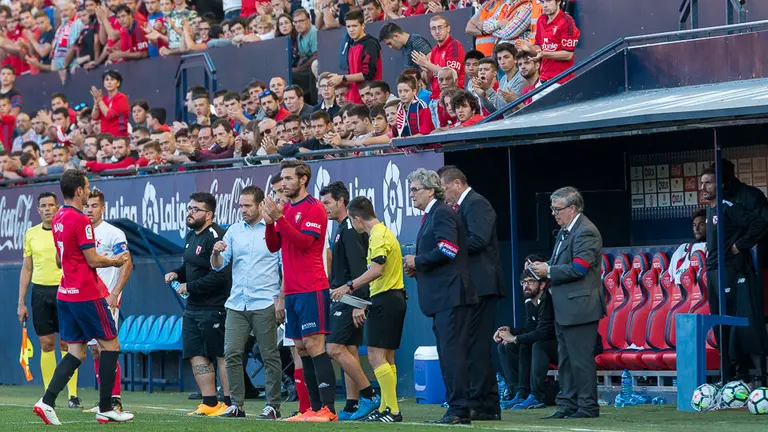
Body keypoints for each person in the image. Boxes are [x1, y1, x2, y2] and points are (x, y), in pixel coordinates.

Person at [33, 169, 131, 425]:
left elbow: (58, 259)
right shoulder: (80, 221)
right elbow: (93, 259)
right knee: (111, 345)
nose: (88, 191)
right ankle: (107, 407)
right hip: (86, 293)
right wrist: (114, 260)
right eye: (86, 187)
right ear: (79, 191)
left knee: (77, 352)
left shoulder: (58, 218)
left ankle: (46, 401)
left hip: (65, 293)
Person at [263, 159, 337, 422]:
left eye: (288, 178)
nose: (283, 183)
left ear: (303, 178)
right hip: (293, 290)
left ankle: (327, 409)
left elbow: (305, 242)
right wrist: (271, 223)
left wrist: (279, 218)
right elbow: (274, 246)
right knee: (301, 349)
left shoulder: (314, 208)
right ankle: (311, 409)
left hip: (312, 286)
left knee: (315, 345)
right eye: (282, 179)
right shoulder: (286, 209)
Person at [403, 168, 477, 425]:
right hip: (444, 295)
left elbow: (449, 248)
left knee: (452, 352)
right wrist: (419, 267)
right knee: (449, 352)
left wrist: (418, 260)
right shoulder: (433, 214)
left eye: (415, 190)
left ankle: (458, 409)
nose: (411, 195)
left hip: (451, 295)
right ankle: (458, 407)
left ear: (430, 189)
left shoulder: (442, 212)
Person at [529, 186, 604, 419]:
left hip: (580, 306)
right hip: (564, 306)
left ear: (572, 208)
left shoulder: (586, 231)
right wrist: (540, 270)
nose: (554, 213)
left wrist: (548, 270)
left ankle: (587, 407)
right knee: (566, 359)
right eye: (552, 208)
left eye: (557, 209)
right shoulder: (564, 232)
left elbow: (580, 268)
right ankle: (567, 405)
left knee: (580, 360)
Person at [210, 186, 284, 419]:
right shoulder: (234, 231)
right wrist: (215, 252)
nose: (242, 210)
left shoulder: (275, 229)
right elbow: (220, 264)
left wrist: (280, 299)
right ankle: (236, 405)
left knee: (269, 354)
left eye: (247, 205)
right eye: (240, 205)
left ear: (261, 205)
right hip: (237, 303)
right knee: (231, 352)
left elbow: (286, 268)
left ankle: (273, 405)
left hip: (264, 301)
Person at [438, 166, 505, 420]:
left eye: (444, 189)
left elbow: (479, 239)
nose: (445, 195)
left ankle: (485, 403)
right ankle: (483, 401)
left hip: (483, 285)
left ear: (456, 183)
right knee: (471, 346)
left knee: (476, 347)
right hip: (473, 285)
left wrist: (449, 246)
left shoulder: (476, 203)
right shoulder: (463, 207)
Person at [335, 195, 407, 423]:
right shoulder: (383, 232)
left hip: (386, 299)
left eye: (351, 220)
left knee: (376, 356)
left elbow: (377, 270)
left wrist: (349, 286)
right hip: (393, 298)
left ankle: (393, 411)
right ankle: (387, 406)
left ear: (356, 218)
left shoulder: (376, 235)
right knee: (387, 357)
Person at [164, 192, 232, 417]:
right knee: (196, 353)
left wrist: (190, 286)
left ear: (209, 214)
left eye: (195, 209)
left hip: (215, 306)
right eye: (189, 208)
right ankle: (209, 403)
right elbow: (190, 265)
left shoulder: (217, 236)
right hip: (193, 308)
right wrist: (177, 273)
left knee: (221, 354)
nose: (190, 213)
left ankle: (230, 403)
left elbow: (221, 275)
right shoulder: (191, 236)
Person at [700, 168, 768, 382]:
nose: (703, 187)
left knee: (731, 320)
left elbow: (760, 224)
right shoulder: (710, 211)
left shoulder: (727, 207)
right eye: (701, 183)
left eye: (708, 183)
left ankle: (742, 371)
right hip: (712, 271)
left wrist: (740, 245)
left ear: (720, 185)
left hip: (729, 271)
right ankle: (727, 371)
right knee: (718, 322)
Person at [319, 182, 380, 421]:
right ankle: (353, 404)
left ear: (341, 201)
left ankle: (369, 394)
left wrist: (357, 303)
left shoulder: (350, 230)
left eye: (328, 202)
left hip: (349, 299)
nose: (324, 207)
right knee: (350, 351)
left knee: (334, 349)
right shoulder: (340, 228)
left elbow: (359, 269)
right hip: (345, 297)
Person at [17, 193, 81, 409]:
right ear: (38, 209)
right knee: (46, 344)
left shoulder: (64, 229)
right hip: (40, 293)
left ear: (57, 207)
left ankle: (72, 395)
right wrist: (21, 302)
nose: (47, 209)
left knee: (67, 343)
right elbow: (27, 268)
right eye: (43, 206)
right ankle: (48, 396)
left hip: (65, 290)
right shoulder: (31, 234)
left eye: (51, 205)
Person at [83, 189, 133, 413]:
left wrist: (115, 293)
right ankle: (105, 399)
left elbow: (127, 264)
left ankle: (114, 400)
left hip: (105, 298)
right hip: (85, 298)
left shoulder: (113, 233)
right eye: (87, 206)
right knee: (94, 350)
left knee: (107, 348)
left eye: (94, 206)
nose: (89, 210)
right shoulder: (80, 232)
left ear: (103, 208)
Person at [495, 257, 556, 410]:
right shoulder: (530, 301)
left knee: (535, 344)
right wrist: (508, 331)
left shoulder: (548, 300)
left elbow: (543, 332)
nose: (526, 286)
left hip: (560, 346)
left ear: (542, 285)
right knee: (504, 346)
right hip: (542, 343)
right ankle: (518, 392)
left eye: (531, 282)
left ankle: (536, 395)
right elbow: (529, 328)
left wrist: (515, 338)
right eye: (524, 283)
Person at [516, 0, 579, 84]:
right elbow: (539, 48)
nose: (545, 5)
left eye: (548, 1)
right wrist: (530, 48)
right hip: (543, 77)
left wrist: (544, 54)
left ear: (558, 2)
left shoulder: (567, 21)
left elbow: (568, 55)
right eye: (542, 2)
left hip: (561, 79)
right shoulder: (541, 20)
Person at [326, 10, 382, 106]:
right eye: (348, 26)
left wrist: (342, 78)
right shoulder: (352, 45)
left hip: (369, 99)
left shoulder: (370, 44)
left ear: (363, 25)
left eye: (354, 26)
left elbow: (368, 74)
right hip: (355, 98)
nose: (351, 30)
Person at [670, 209, 707, 284]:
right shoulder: (682, 248)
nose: (696, 229)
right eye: (694, 225)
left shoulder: (715, 248)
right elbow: (672, 278)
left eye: (701, 224)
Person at [90, 70, 130, 138]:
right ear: (104, 84)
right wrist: (96, 104)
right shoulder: (103, 99)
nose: (109, 82)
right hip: (105, 137)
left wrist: (99, 100)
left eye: (112, 79)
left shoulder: (121, 98)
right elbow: (94, 117)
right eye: (106, 80)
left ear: (118, 83)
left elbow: (109, 115)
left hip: (118, 137)